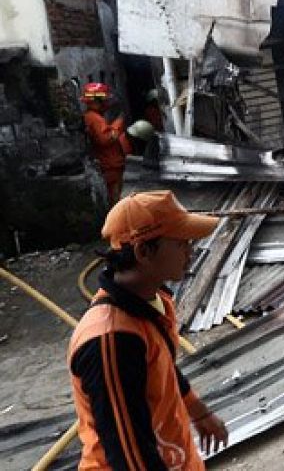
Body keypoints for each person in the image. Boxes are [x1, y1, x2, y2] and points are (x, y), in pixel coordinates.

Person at [69, 190, 228, 469]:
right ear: (143, 251)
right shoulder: (111, 341)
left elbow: (161, 367)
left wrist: (199, 413)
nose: (191, 251)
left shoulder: (155, 300)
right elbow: (131, 458)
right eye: (181, 243)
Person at [82, 82, 131, 204]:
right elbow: (107, 139)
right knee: (116, 201)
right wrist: (119, 123)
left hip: (110, 164)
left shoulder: (93, 117)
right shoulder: (94, 118)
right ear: (97, 101)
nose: (107, 104)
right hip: (110, 165)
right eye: (104, 100)